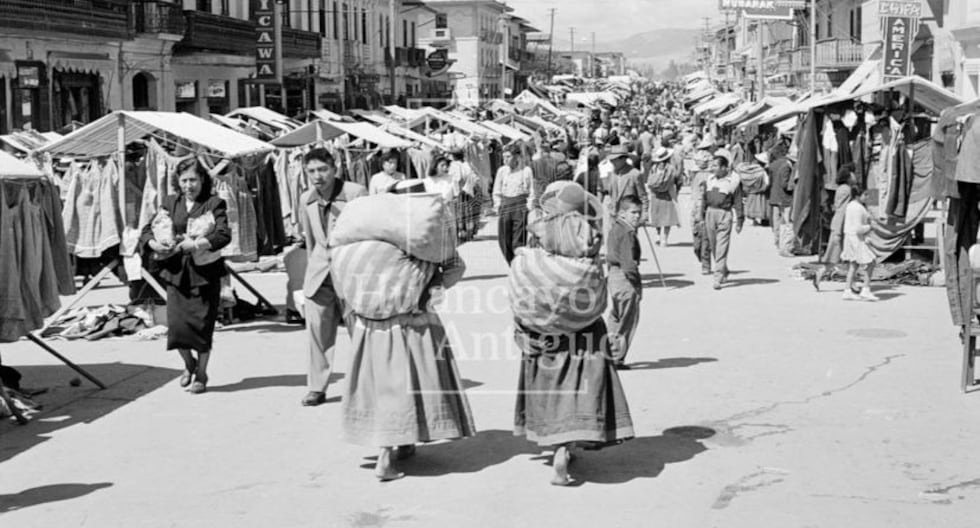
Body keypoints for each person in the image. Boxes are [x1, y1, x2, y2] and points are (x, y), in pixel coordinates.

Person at [340, 180, 476, 481]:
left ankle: (402, 443)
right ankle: (386, 457)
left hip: (369, 326)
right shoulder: (428, 237)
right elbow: (455, 266)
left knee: (383, 386)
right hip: (411, 324)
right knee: (401, 387)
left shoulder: (364, 237)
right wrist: (433, 286)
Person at [513, 189, 634, 486]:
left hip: (542, 333)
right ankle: (565, 448)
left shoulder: (539, 233)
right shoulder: (586, 235)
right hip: (584, 331)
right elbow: (596, 281)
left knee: (550, 389)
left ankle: (558, 445)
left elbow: (525, 280)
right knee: (579, 390)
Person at [141, 158, 231, 395]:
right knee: (177, 327)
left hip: (205, 274)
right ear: (177, 182)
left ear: (202, 179)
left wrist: (196, 244)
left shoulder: (214, 203)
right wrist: (154, 244)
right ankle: (188, 363)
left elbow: (223, 235)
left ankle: (201, 373)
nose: (189, 185)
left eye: (193, 179)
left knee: (203, 327)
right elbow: (148, 229)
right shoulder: (171, 202)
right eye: (184, 180)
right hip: (176, 273)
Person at [299, 148, 368, 407]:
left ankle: (365, 383)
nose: (317, 176)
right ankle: (317, 387)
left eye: (322, 169)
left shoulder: (355, 193)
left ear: (334, 168)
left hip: (351, 273)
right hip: (319, 275)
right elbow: (310, 239)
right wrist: (309, 273)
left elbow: (367, 233)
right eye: (311, 171)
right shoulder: (306, 199)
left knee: (359, 331)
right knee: (317, 333)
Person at [606, 195, 643, 369]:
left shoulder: (615, 228)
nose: (637, 216)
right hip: (624, 277)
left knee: (616, 317)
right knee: (627, 320)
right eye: (633, 212)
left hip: (613, 276)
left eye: (639, 213)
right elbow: (628, 264)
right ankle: (616, 357)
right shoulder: (627, 233)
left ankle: (606, 352)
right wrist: (637, 284)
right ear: (622, 213)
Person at [698, 149, 744, 290]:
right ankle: (723, 269)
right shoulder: (709, 180)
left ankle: (717, 277)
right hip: (710, 213)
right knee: (714, 245)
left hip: (724, 214)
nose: (712, 168)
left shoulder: (733, 182)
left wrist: (740, 220)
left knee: (722, 246)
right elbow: (704, 199)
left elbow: (738, 202)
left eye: (715, 166)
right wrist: (701, 216)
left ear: (724, 168)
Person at [813, 164, 856, 290]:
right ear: (848, 175)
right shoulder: (846, 189)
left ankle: (851, 283)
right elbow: (842, 210)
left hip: (840, 226)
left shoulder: (842, 188)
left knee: (847, 257)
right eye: (852, 173)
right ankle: (820, 274)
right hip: (841, 227)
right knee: (836, 256)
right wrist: (838, 231)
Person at [493, 145, 536, 264]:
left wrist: (528, 206)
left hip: (520, 205)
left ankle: (518, 264)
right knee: (504, 239)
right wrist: (497, 205)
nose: (505, 160)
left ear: (516, 156)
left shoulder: (526, 170)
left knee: (518, 239)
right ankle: (511, 261)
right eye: (503, 157)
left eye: (508, 157)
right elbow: (497, 190)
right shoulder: (502, 171)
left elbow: (532, 190)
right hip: (505, 204)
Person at [840, 185, 879, 301]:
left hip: (850, 237)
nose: (866, 197)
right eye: (864, 194)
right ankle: (865, 289)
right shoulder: (858, 208)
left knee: (853, 265)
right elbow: (858, 228)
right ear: (858, 196)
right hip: (856, 239)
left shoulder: (851, 206)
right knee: (871, 262)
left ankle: (847, 290)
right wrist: (870, 227)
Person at [645, 146, 682, 246]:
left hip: (656, 194)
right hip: (667, 194)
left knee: (656, 215)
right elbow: (676, 179)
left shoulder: (654, 168)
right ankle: (664, 239)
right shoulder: (671, 168)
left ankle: (657, 235)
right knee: (667, 217)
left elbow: (649, 180)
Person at [768, 143, 794, 249]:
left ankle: (777, 240)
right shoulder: (787, 165)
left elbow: (770, 181)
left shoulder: (772, 165)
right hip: (784, 196)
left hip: (774, 195)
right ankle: (785, 244)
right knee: (787, 221)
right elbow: (785, 183)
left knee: (777, 220)